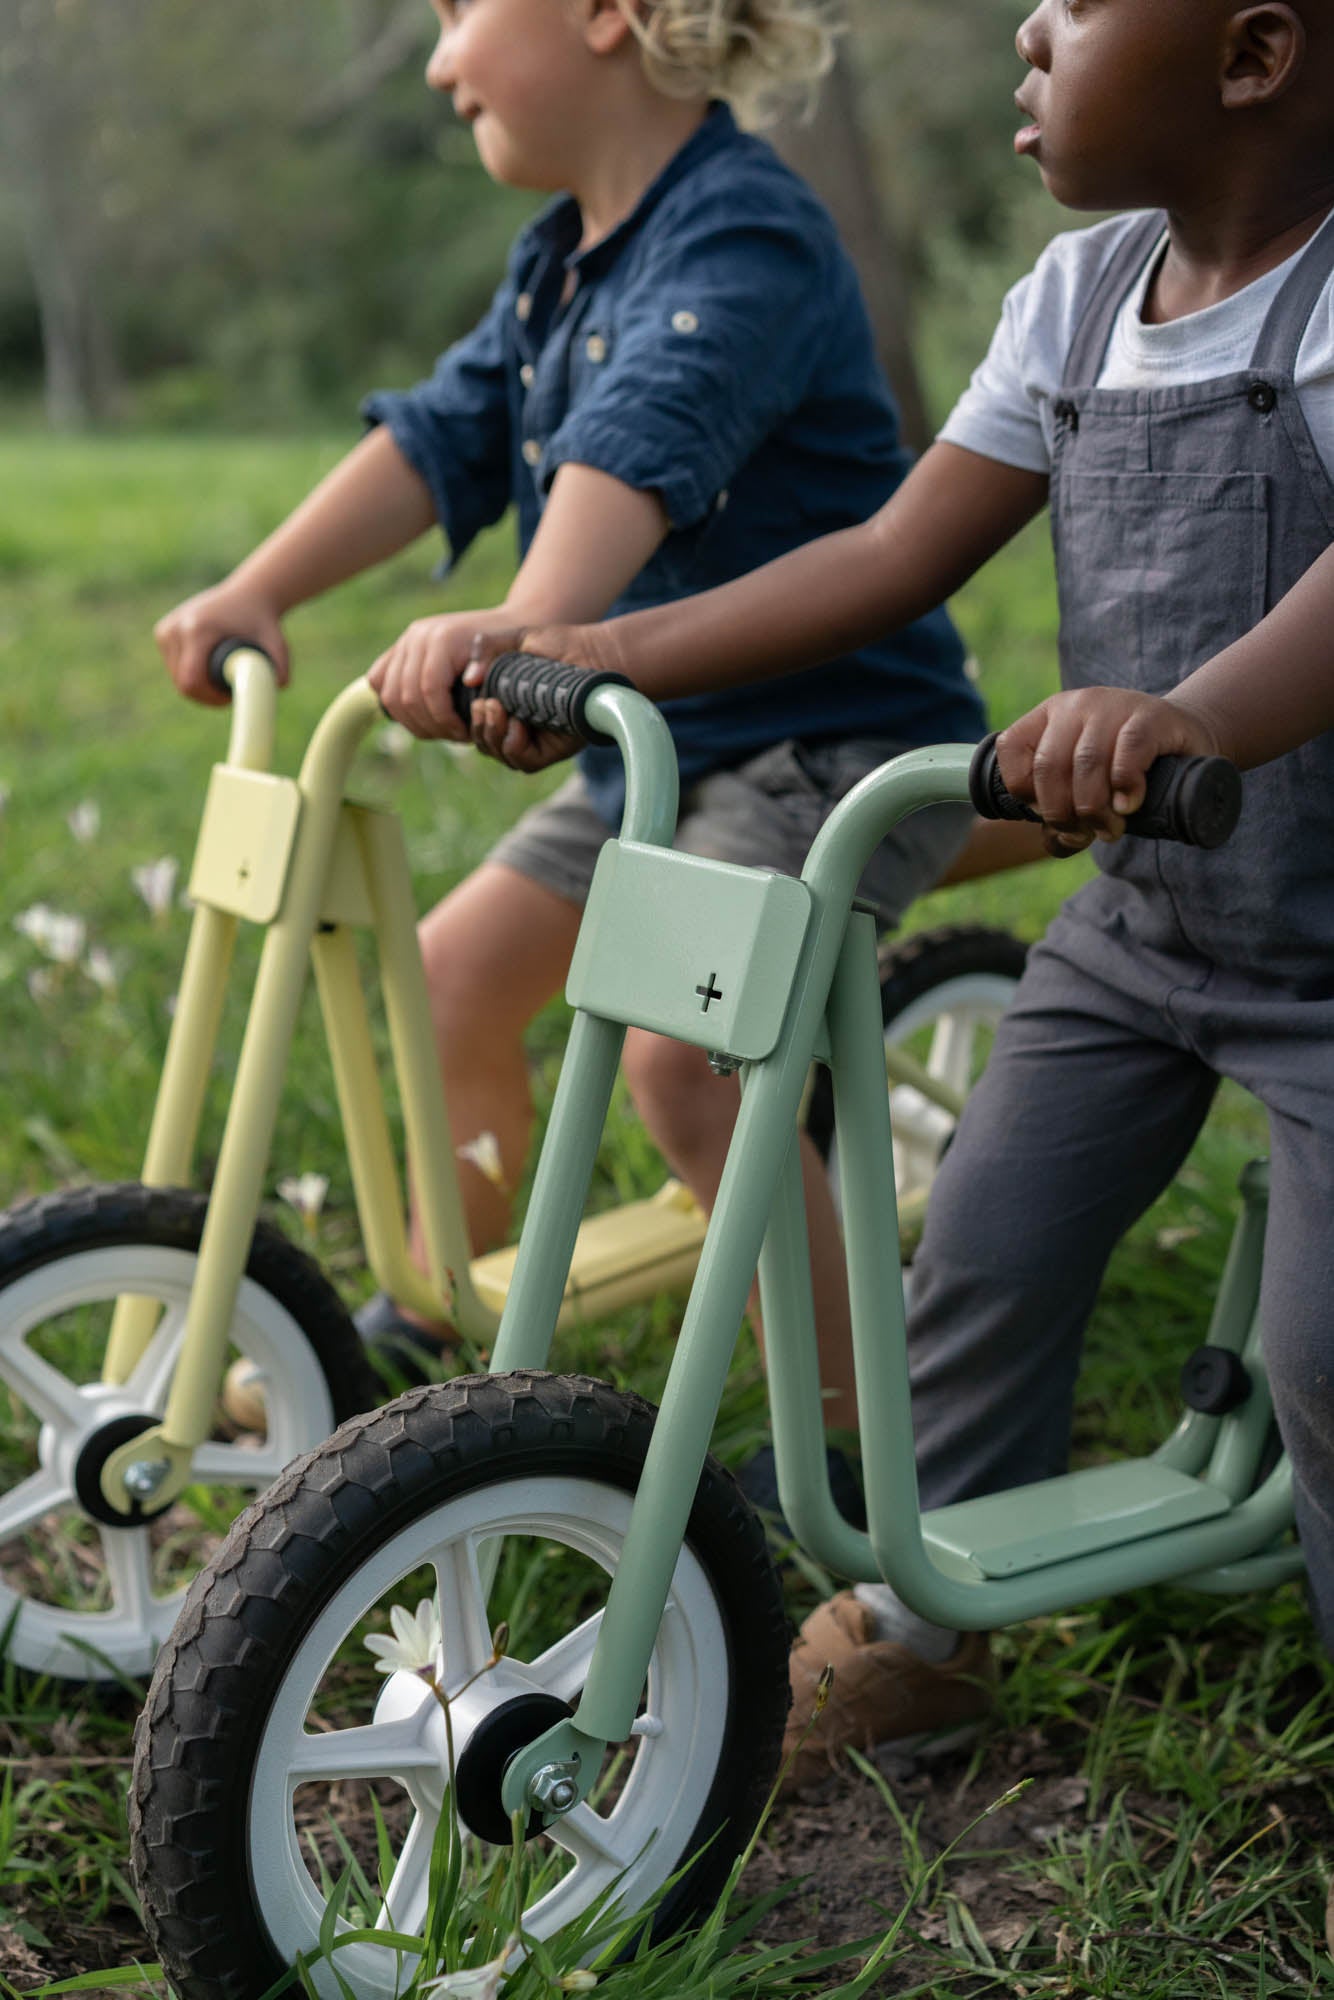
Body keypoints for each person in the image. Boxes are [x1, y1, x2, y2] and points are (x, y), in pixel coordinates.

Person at [376, 0, 1334, 1786]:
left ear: (1251, 57)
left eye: (1079, 1)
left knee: (1319, 1345)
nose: (1030, 33)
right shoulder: (1073, 301)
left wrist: (1192, 709)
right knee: (975, 1245)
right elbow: (894, 550)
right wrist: (605, 644)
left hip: (1325, 944)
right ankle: (922, 1630)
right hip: (1139, 929)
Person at [155, 0, 985, 1465]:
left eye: (460, 10)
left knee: (684, 1061)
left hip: (823, 749)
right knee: (449, 979)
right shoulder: (559, 258)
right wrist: (261, 585)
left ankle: (870, 1453)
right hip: (646, 751)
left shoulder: (747, 239)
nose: (435, 59)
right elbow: (441, 433)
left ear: (611, 12)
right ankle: (439, 1314)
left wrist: (531, 625)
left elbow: (645, 435)